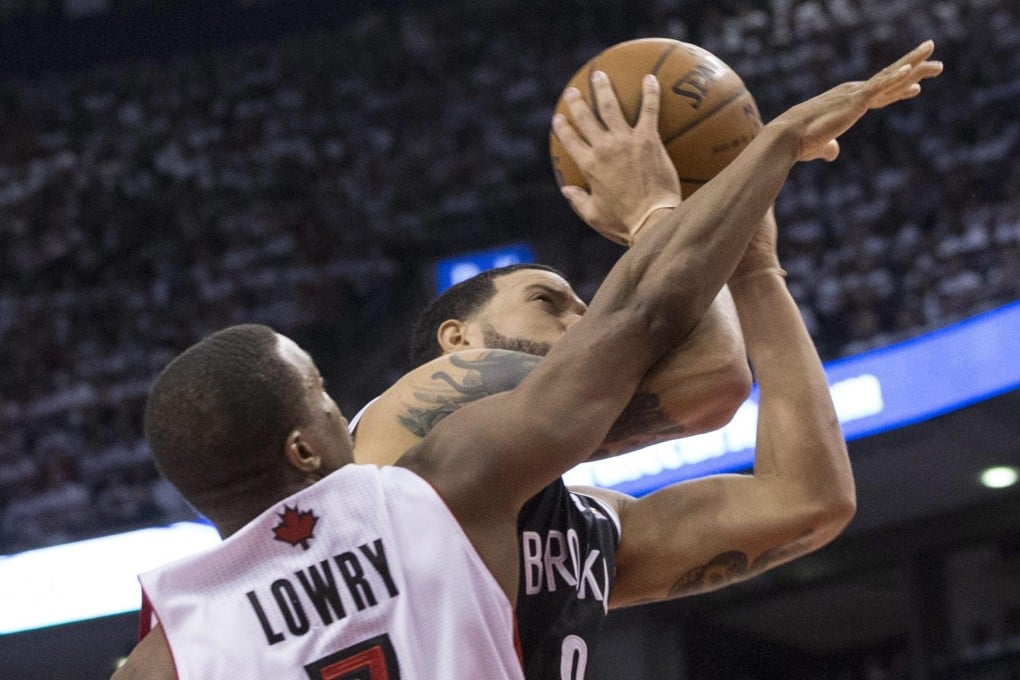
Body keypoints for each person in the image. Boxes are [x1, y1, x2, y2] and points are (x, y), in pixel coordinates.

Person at [112, 41, 941, 679]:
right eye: (550, 302)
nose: (581, 318)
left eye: (582, 303)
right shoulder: (413, 441)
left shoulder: (551, 521)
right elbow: (705, 380)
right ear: (456, 344)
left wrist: (755, 266)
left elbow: (807, 502)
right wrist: (671, 203)